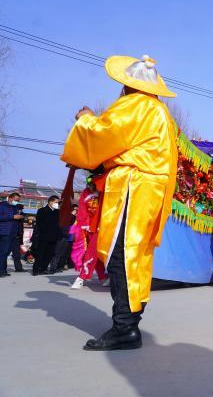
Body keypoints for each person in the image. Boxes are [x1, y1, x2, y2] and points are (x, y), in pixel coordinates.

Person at [61, 54, 178, 351]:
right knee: (136, 255)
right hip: (150, 189)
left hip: (134, 188)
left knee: (121, 255)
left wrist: (85, 119)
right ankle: (130, 321)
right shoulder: (160, 111)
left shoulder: (137, 105)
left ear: (128, 84)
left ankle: (124, 328)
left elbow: (104, 134)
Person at [70, 179, 109, 289]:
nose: (91, 188)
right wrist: (83, 224)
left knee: (92, 251)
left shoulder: (104, 193)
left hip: (101, 227)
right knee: (93, 252)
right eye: (89, 185)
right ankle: (103, 277)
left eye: (93, 186)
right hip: (87, 227)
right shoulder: (86, 193)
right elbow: (82, 209)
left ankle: (81, 277)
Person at [31, 196, 62, 276]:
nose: (57, 204)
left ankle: (43, 269)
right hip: (44, 236)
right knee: (40, 253)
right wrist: (48, 229)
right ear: (50, 202)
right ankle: (35, 270)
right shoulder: (42, 210)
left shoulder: (57, 212)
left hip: (54, 236)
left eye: (57, 203)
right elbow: (40, 223)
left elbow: (60, 224)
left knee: (50, 254)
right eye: (56, 202)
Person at [48, 204, 78, 273]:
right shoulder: (66, 216)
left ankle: (59, 266)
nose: (76, 211)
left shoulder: (75, 217)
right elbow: (64, 224)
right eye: (75, 209)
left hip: (70, 237)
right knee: (57, 253)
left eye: (77, 210)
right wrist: (72, 215)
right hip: (62, 236)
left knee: (64, 254)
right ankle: (53, 268)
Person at [0, 192, 24, 277]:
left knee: (6, 253)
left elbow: (17, 217)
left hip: (13, 233)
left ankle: (3, 269)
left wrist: (21, 217)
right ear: (10, 198)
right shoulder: (2, 205)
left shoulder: (15, 207)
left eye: (18, 200)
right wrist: (12, 217)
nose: (17, 202)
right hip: (5, 232)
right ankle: (1, 271)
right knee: (3, 252)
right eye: (16, 200)